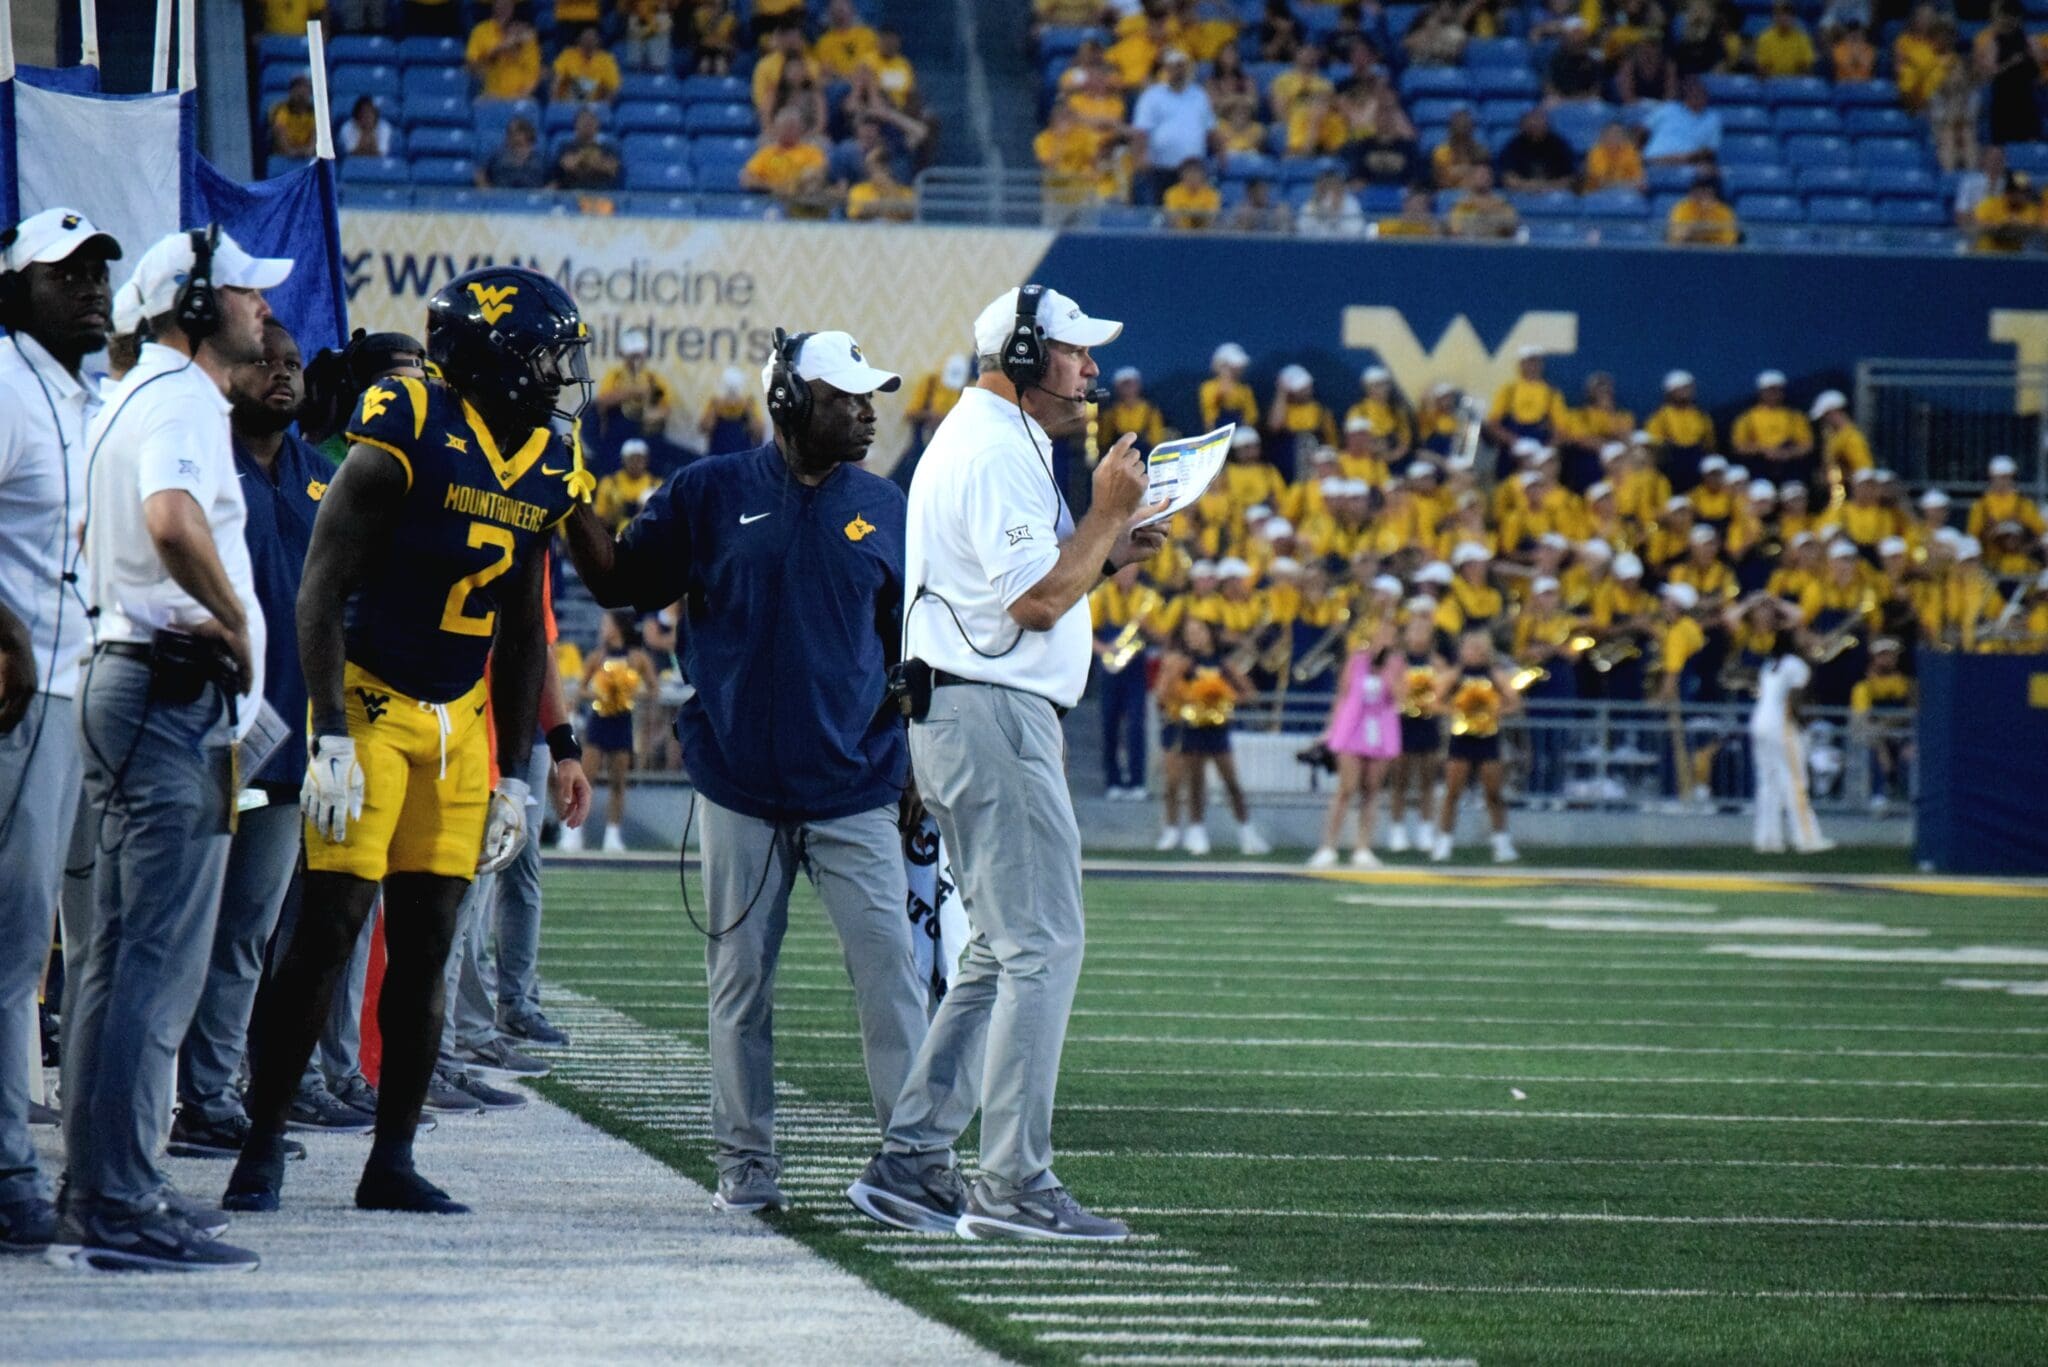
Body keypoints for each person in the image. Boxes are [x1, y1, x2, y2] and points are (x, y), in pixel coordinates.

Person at [225, 267, 587, 1218]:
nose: (558, 377)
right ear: (493, 359)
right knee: (329, 929)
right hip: (370, 701)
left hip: (459, 716)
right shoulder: (407, 424)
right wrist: (331, 734)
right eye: (543, 358)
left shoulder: (547, 458)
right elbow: (319, 583)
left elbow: (523, 624)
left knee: (427, 943)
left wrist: (517, 772)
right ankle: (259, 1145)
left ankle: (391, 1158)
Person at [564, 327, 930, 1217]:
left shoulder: (887, 505)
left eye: (871, 398)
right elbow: (619, 580)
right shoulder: (708, 490)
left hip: (856, 783)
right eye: (848, 398)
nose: (868, 413)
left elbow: (912, 648)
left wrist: (917, 767)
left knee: (892, 975)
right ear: (791, 402)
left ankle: (917, 1158)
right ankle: (746, 1163)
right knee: (739, 986)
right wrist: (566, 495)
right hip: (739, 784)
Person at [847, 284, 1165, 1242]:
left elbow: (1021, 590)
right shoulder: (994, 447)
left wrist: (1108, 548)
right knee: (1043, 945)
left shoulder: (995, 438)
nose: (1091, 370)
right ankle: (1013, 1183)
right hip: (993, 713)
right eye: (1074, 351)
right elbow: (1033, 602)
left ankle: (912, 1159)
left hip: (971, 710)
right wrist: (1104, 516)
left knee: (998, 946)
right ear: (1023, 356)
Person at [54, 227, 288, 1273]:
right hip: (166, 690)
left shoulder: (130, 393)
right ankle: (120, 1198)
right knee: (154, 964)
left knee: (116, 959)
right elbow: (171, 516)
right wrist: (234, 619)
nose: (262, 310)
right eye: (244, 291)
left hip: (129, 676)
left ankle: (104, 1182)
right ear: (194, 306)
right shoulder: (184, 396)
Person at [168, 319, 364, 1155]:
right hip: (205, 725)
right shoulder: (198, 460)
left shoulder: (326, 477)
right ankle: (161, 1091)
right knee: (181, 921)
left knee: (250, 928)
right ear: (228, 371)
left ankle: (213, 1096)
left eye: (291, 364)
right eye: (263, 362)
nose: (280, 375)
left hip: (292, 735)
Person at [0, 208, 121, 1254]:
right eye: (64, 273)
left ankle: (95, 1165)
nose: (89, 288)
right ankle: (7, 1168)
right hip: (27, 694)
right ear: (16, 287)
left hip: (92, 694)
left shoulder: (91, 397)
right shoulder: (4, 381)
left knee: (97, 941)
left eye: (97, 273)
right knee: (13, 942)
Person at [1308, 613, 1404, 869]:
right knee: (1346, 788)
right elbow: (1343, 695)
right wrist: (1331, 729)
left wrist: (1387, 672)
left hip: (1381, 729)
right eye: (1381, 634)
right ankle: (1328, 847)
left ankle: (1363, 848)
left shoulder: (1396, 664)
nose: (1384, 639)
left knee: (1371, 790)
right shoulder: (1357, 660)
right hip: (1353, 727)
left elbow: (1399, 697)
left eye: (1389, 636)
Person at [1431, 627, 1521, 863]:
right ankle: (1444, 843)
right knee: (1453, 792)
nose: (1473, 652)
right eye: (1469, 647)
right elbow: (1435, 702)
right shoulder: (1455, 675)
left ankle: (1502, 843)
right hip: (1461, 737)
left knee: (1493, 793)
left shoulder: (1495, 674)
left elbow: (1514, 703)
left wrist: (1495, 711)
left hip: (1488, 737)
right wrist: (1456, 710)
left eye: (1478, 647)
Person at [1749, 610, 1832, 853]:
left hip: (1759, 723)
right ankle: (1806, 839)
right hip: (1781, 726)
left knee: (1768, 783)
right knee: (1796, 782)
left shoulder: (1770, 664)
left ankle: (1767, 839)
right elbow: (1794, 702)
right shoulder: (1796, 665)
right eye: (1800, 634)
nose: (1806, 637)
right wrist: (1805, 725)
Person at [573, 609, 655, 852]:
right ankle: (574, 833)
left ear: (618, 627)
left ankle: (613, 834)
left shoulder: (637, 658)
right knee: (585, 779)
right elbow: (581, 689)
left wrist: (630, 692)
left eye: (606, 624)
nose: (603, 629)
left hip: (622, 721)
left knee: (618, 782)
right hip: (598, 721)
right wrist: (601, 693)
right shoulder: (597, 657)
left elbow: (653, 689)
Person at [1130, 49, 1216, 206]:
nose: (1178, 71)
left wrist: (1221, 151)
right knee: (1161, 210)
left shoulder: (1199, 95)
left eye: (1181, 67)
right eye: (1174, 67)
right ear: (1166, 70)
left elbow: (1210, 128)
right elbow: (1141, 131)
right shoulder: (1152, 96)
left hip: (1192, 170)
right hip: (1160, 168)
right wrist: (1140, 156)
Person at [466, 0, 542, 102]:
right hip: (491, 95)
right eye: (500, 3)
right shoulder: (480, 31)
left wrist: (520, 96)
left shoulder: (527, 34)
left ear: (513, 7)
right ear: (494, 5)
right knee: (479, 103)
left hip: (521, 96)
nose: (503, 7)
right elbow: (472, 67)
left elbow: (534, 72)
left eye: (507, 4)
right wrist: (496, 51)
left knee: (528, 105)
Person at [1641, 78, 1723, 166]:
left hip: (1685, 163)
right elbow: (1642, 129)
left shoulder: (1712, 118)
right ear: (1686, 96)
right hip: (1652, 160)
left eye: (1701, 93)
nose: (1698, 96)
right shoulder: (1669, 108)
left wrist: (1689, 157)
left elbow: (1710, 150)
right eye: (1693, 93)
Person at [1498, 108, 1578, 192]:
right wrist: (1531, 186)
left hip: (1555, 191)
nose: (1536, 125)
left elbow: (1571, 177)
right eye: (1532, 123)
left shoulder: (1560, 145)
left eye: (1539, 121)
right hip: (1521, 192)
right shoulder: (1512, 147)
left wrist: (1548, 186)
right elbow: (1507, 178)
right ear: (1522, 125)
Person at [551, 106, 623, 192]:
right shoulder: (566, 146)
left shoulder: (608, 147)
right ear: (576, 124)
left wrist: (582, 160)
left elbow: (611, 168)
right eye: (583, 121)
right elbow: (568, 165)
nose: (587, 124)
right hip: (572, 191)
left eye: (591, 121)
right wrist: (595, 160)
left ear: (598, 124)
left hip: (602, 193)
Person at [595, 437, 660, 531]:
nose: (635, 463)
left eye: (639, 459)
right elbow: (600, 514)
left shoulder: (656, 485)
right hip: (612, 532)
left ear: (646, 460)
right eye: (631, 459)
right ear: (623, 460)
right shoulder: (609, 482)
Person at [698, 365, 765, 454]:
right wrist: (714, 410)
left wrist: (749, 411)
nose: (732, 396)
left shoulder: (750, 404)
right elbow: (703, 429)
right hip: (718, 457)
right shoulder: (715, 403)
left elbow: (759, 435)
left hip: (742, 457)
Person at [551, 24, 622, 104]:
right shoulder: (568, 55)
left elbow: (613, 88)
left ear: (598, 40)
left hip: (594, 106)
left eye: (592, 37)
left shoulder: (606, 60)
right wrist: (555, 104)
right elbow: (556, 81)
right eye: (586, 37)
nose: (589, 40)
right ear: (579, 39)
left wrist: (603, 106)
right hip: (568, 104)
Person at [1667, 170, 1739, 245]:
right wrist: (1700, 216)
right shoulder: (1682, 208)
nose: (1702, 199)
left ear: (1714, 196)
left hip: (1715, 250)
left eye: (1706, 194)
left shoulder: (1724, 211)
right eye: (1698, 194)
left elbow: (1729, 242)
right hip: (1687, 250)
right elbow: (1677, 238)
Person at [477, 116, 549, 190]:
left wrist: (545, 193)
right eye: (510, 133)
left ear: (528, 134)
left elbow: (553, 181)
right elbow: (480, 175)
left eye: (519, 132)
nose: (515, 136)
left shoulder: (541, 159)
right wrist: (486, 191)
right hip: (502, 195)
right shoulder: (497, 156)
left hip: (533, 196)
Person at [1754, 1, 1818, 77]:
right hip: (1771, 81)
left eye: (1787, 15)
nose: (1783, 18)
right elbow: (1762, 67)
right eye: (1780, 15)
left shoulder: (1803, 38)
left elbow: (1806, 67)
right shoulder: (1764, 38)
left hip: (1796, 81)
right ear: (1774, 17)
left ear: (1793, 18)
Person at [268, 76, 318, 160]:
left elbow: (315, 135)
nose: (301, 97)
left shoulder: (314, 112)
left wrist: (308, 151)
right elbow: (279, 132)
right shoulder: (281, 110)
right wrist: (290, 151)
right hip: (284, 154)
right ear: (291, 92)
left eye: (304, 93)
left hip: (307, 154)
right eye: (298, 92)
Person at [337, 95, 394, 160]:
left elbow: (380, 155)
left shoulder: (384, 127)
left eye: (370, 113)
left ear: (376, 115)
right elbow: (351, 155)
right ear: (357, 115)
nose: (367, 117)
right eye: (363, 113)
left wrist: (370, 133)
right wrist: (364, 134)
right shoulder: (347, 127)